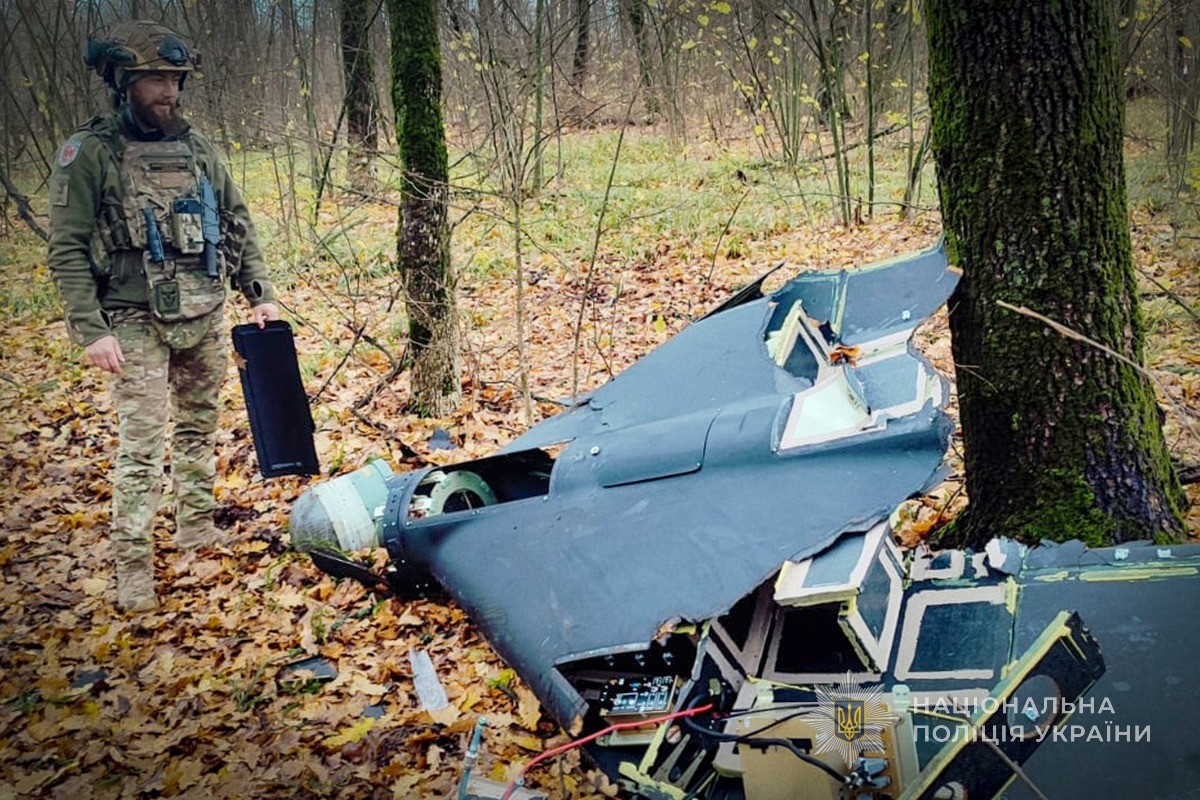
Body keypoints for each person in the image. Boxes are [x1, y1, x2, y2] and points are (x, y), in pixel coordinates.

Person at [47, 20, 280, 613]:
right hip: (132, 317)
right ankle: (132, 569)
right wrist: (91, 329)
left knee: (199, 428)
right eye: (154, 79)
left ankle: (196, 529)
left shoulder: (197, 146)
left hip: (204, 305)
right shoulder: (90, 152)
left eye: (174, 79)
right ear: (122, 83)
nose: (168, 92)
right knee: (142, 447)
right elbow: (67, 247)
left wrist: (258, 292)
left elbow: (235, 220)